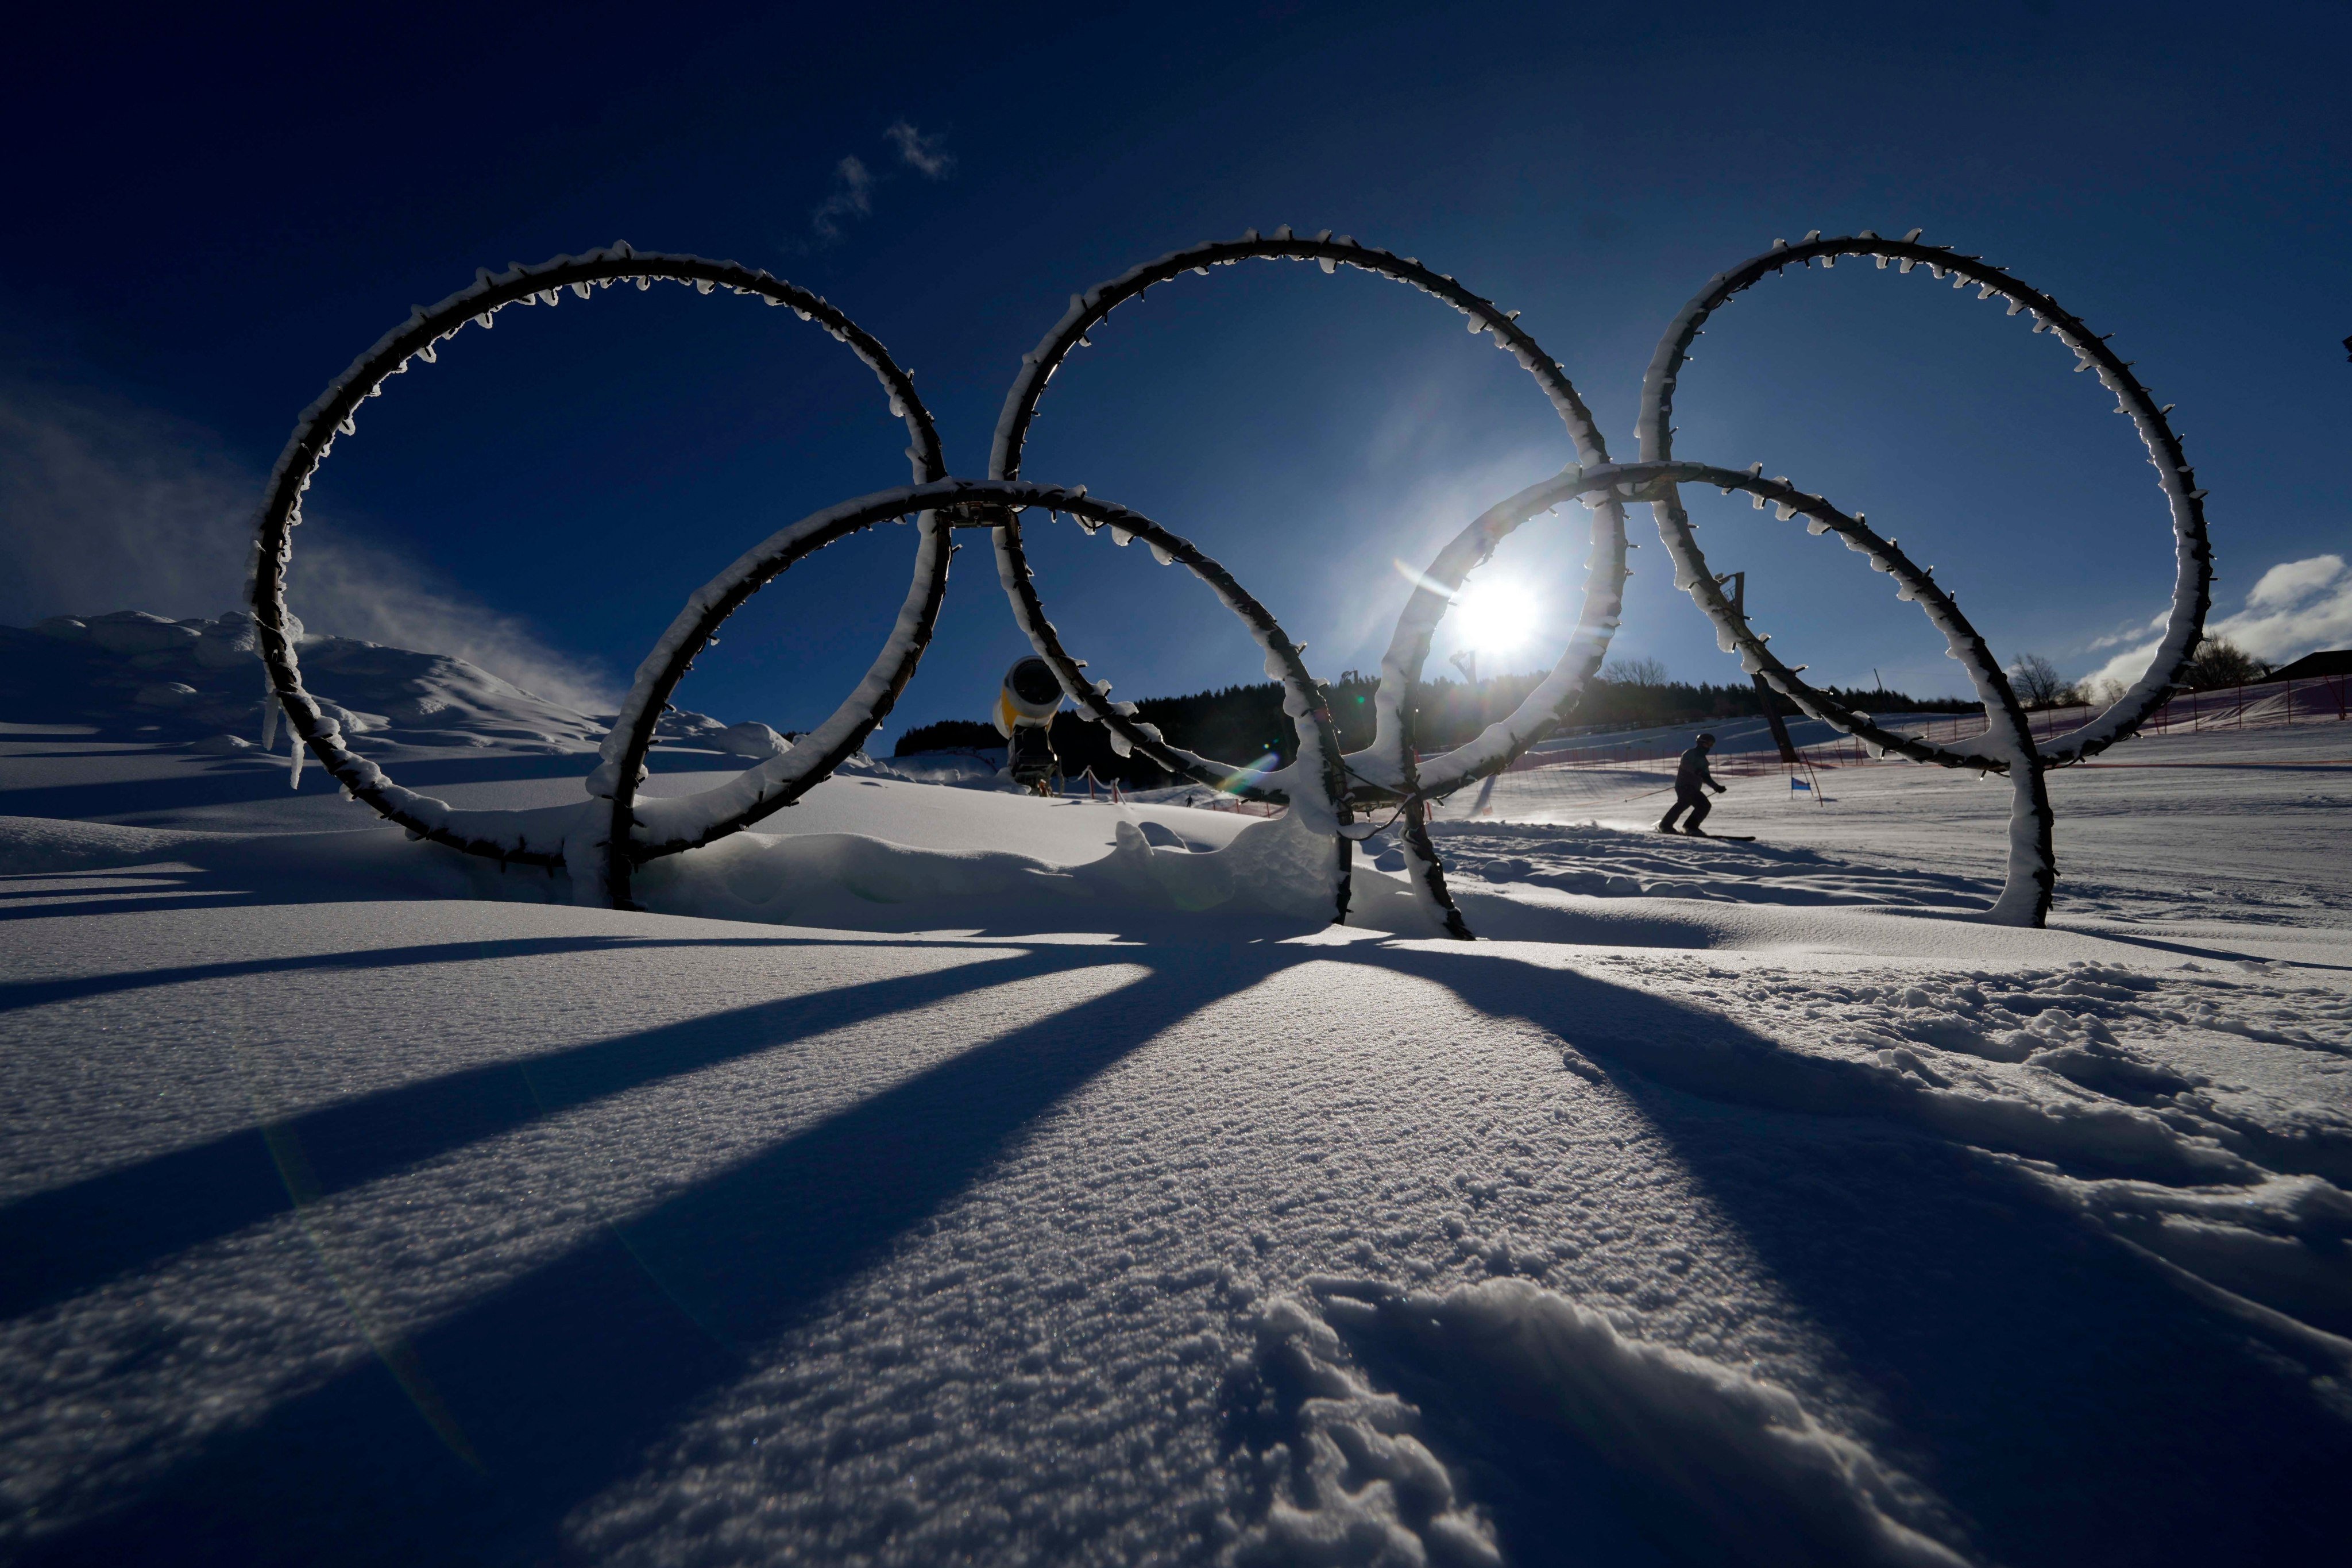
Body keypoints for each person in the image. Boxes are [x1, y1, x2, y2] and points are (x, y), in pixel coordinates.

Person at [1659, 731, 1728, 835]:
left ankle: (1666, 825)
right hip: (1685, 786)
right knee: (1704, 805)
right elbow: (1686, 765)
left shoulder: (1704, 761)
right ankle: (1689, 827)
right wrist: (1697, 771)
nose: (1709, 747)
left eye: (1711, 745)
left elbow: (1706, 777)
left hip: (1693, 788)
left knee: (1684, 804)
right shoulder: (1690, 753)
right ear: (1700, 743)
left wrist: (1716, 787)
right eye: (1707, 744)